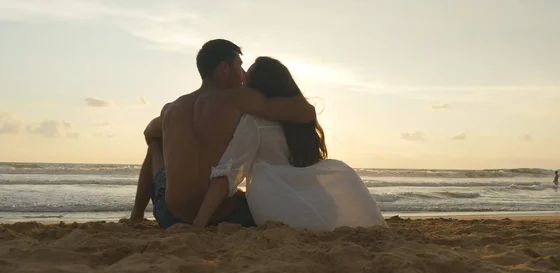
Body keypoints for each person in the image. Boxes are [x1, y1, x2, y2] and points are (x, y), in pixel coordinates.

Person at [177, 57, 385, 231]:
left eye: (247, 76)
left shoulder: (253, 122)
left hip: (277, 209)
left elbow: (227, 174)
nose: (242, 81)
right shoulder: (301, 118)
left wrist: (197, 225)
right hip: (322, 208)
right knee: (342, 170)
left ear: (258, 86)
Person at [129, 40, 316, 229]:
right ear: (224, 68)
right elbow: (306, 113)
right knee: (247, 201)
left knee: (155, 146)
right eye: (240, 66)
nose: (243, 75)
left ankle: (136, 215)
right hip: (221, 215)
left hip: (168, 216)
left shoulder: (171, 108)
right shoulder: (239, 100)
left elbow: (149, 132)